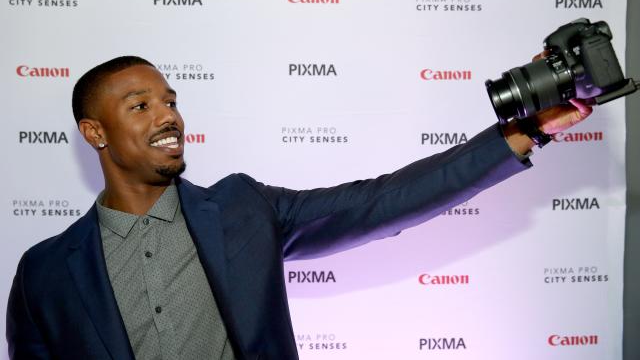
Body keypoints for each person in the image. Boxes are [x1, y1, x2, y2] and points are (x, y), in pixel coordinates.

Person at [6, 56, 592, 359]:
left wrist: (524, 133)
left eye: (171, 100)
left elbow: (381, 201)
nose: (168, 117)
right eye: (140, 106)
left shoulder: (240, 209)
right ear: (95, 131)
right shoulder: (44, 272)